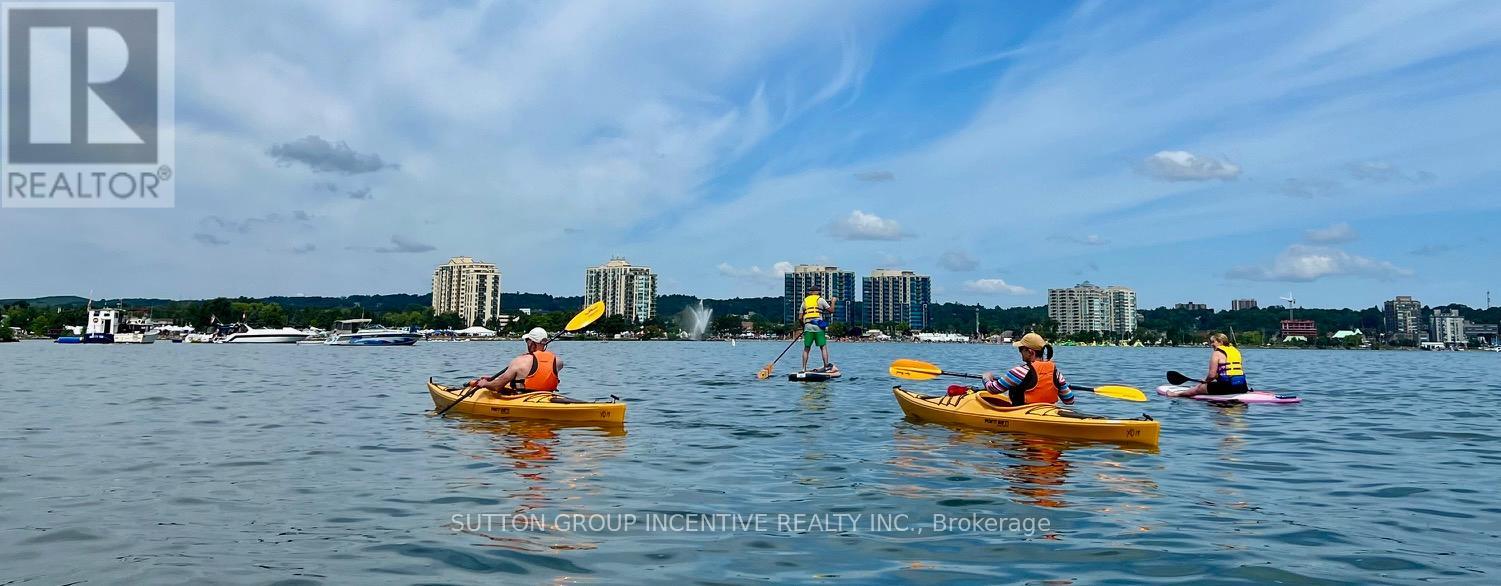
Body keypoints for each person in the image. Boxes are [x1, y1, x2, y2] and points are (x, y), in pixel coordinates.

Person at [980, 333, 1076, 406]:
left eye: (1021, 349)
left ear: (1030, 352)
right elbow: (1069, 400)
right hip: (1047, 411)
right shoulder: (1056, 373)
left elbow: (993, 389)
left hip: (1022, 412)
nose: (1020, 352)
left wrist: (986, 378)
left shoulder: (1019, 371)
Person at [467, 327, 564, 394]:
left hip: (523, 397)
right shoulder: (558, 362)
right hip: (547, 395)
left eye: (527, 341)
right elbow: (540, 371)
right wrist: (496, 379)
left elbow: (497, 386)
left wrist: (485, 384)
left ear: (531, 343)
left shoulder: (519, 361)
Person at [1167, 333, 1248, 397]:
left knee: (1199, 388)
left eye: (1213, 342)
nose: (1211, 344)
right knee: (1206, 384)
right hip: (1242, 386)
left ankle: (1177, 394)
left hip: (1227, 388)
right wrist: (1210, 380)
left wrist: (1206, 381)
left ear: (1221, 342)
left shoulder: (1217, 353)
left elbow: (1212, 375)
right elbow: (1230, 372)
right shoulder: (1236, 352)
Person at [799, 285, 838, 373]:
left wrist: (803, 327)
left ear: (810, 292)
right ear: (818, 292)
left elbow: (800, 317)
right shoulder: (820, 300)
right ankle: (826, 366)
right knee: (823, 347)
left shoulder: (805, 301)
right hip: (818, 327)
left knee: (806, 348)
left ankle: (803, 369)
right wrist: (833, 302)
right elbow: (831, 310)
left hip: (808, 326)